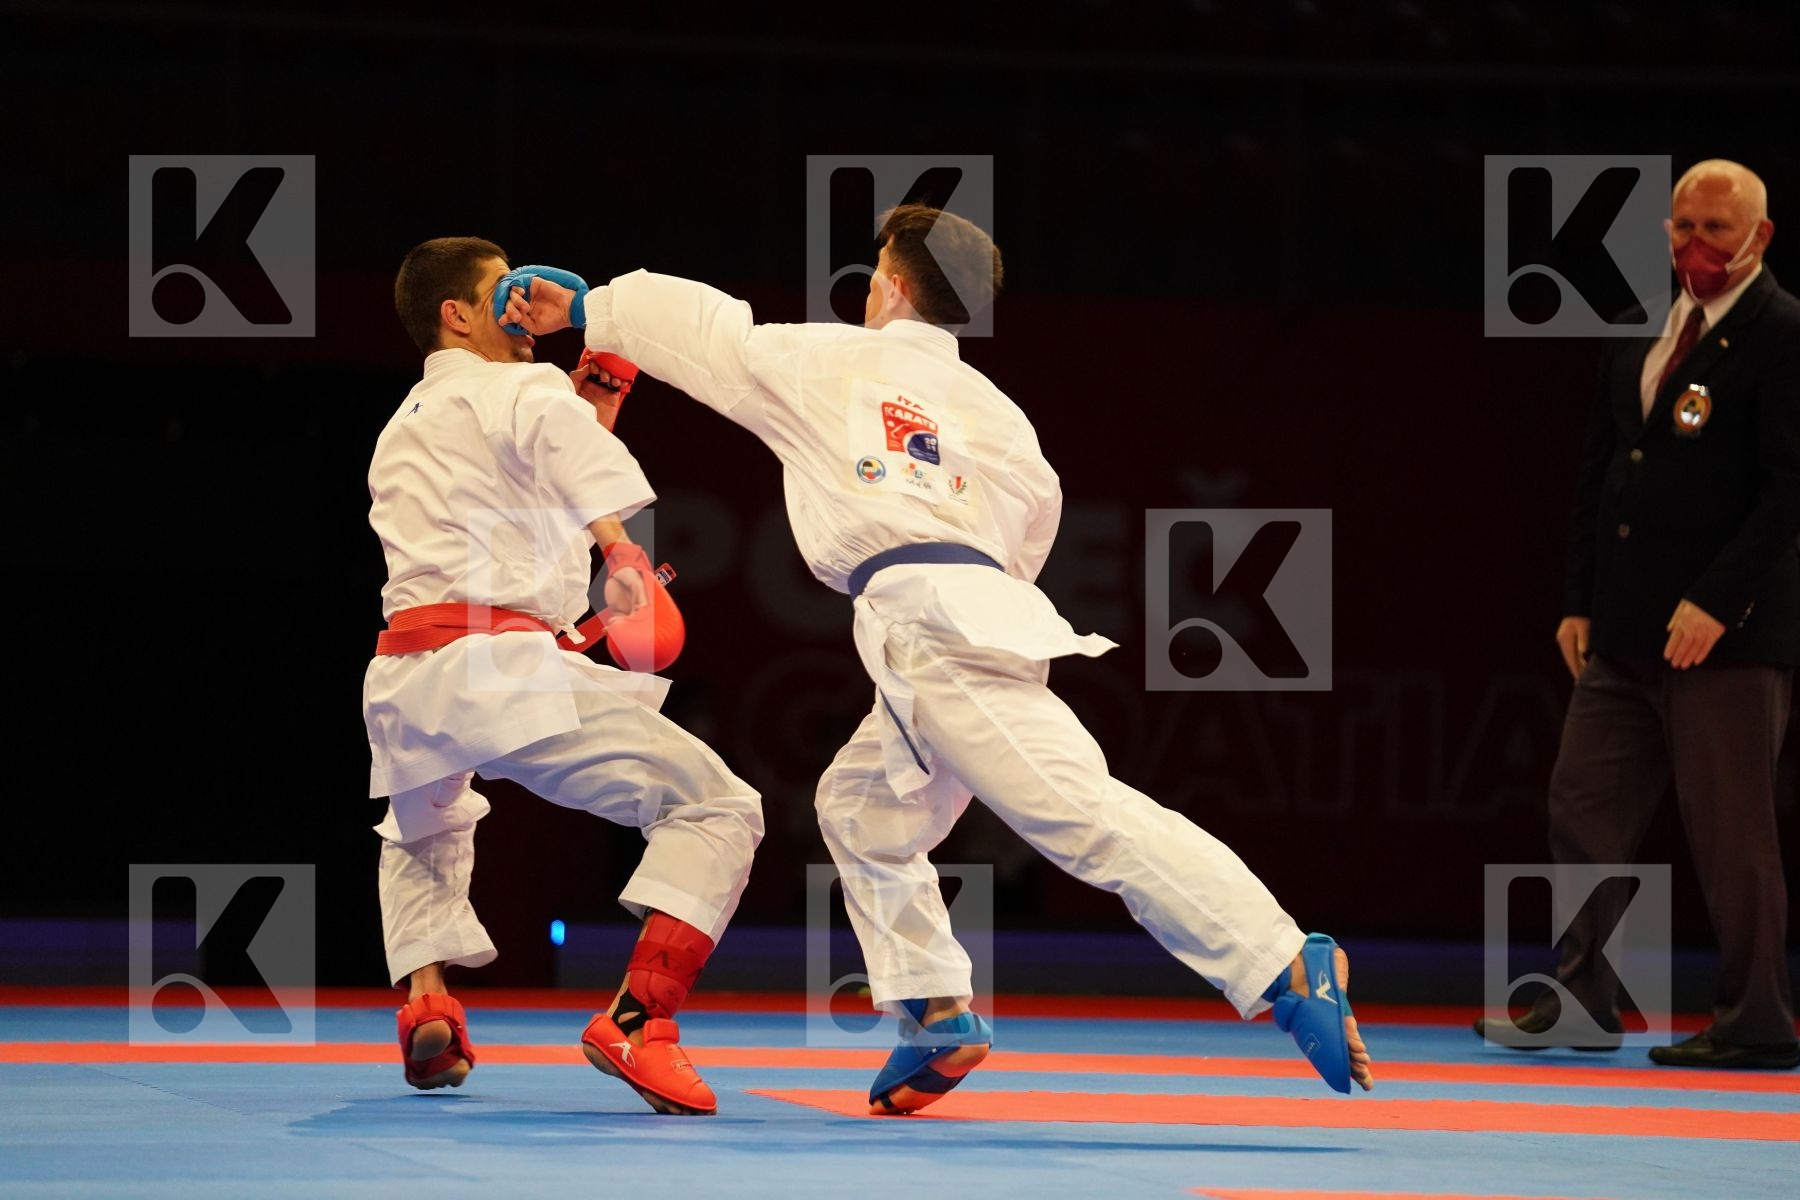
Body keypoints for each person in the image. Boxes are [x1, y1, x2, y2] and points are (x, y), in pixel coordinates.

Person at [495, 206, 1375, 1109]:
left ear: (893, 285)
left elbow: (710, 331)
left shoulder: (831, 362)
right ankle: (934, 1008)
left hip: (932, 627)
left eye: (876, 267)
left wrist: (590, 307)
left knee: (1079, 812)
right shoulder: (1000, 414)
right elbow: (1034, 523)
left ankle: (1282, 961)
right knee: (861, 810)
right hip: (981, 614)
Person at [365, 237, 765, 1114]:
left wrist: (602, 388)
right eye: (500, 292)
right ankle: (639, 1021)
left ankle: (427, 1005)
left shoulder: (405, 425)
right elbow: (567, 457)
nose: (520, 307)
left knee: (426, 830)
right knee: (719, 807)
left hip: (404, 677)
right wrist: (621, 550)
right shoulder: (526, 390)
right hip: (497, 667)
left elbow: (540, 472)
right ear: (456, 314)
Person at [1476, 160, 1800, 1069]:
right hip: (1624, 626)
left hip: (1727, 636)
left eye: (1716, 230)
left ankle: (1758, 1019)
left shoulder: (1783, 333)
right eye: (1683, 227)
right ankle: (1582, 998)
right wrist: (1579, 600)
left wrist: (1718, 601)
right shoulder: (1639, 324)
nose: (1696, 245)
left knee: (1732, 832)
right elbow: (1602, 469)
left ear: (1760, 237)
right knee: (1583, 805)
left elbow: (1789, 490)